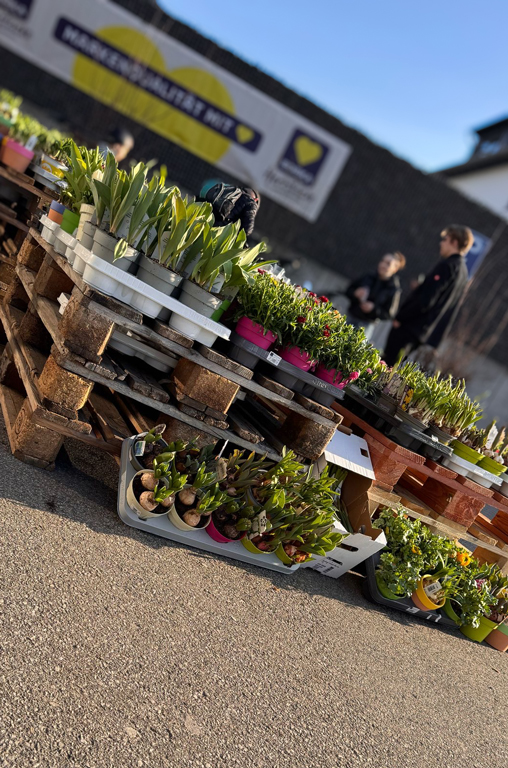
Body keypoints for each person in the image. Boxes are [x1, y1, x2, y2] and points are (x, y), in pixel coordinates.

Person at [383, 224, 474, 366]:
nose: (441, 243)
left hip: (409, 327)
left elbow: (427, 300)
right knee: (392, 370)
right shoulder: (463, 273)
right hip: (422, 332)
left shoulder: (447, 265)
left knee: (385, 366)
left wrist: (401, 317)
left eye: (445, 239)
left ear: (454, 242)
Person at [346, 252, 406, 339]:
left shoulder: (393, 289)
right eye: (382, 261)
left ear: (395, 269)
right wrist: (355, 293)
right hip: (350, 316)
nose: (383, 265)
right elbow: (348, 290)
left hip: (366, 325)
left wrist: (373, 309)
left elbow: (389, 314)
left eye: (388, 263)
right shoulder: (368, 276)